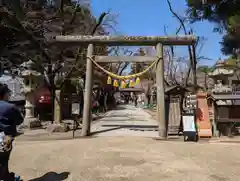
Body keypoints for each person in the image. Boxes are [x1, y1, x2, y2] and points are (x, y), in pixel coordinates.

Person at [0, 83, 23, 180]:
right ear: (4, 94)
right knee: (3, 161)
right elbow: (19, 121)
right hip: (5, 138)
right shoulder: (11, 107)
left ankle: (8, 177)